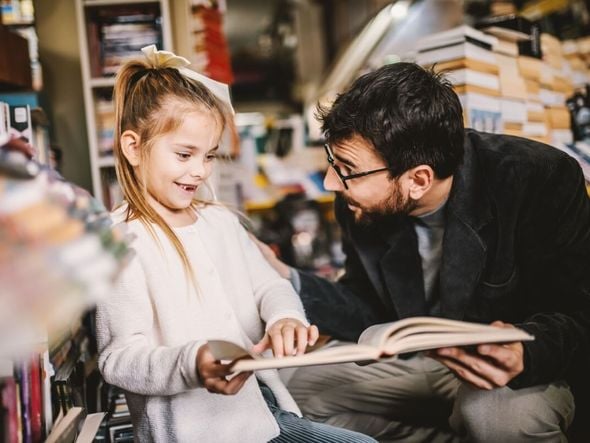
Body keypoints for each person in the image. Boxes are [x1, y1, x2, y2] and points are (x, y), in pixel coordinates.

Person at [256, 62, 590, 442]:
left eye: (346, 167)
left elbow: (580, 312)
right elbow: (367, 305)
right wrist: (283, 275)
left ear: (418, 179)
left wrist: (525, 350)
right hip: (427, 365)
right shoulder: (361, 201)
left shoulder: (538, 178)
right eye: (333, 161)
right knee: (291, 389)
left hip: (519, 375)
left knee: (493, 414)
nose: (332, 182)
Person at [95, 45, 377, 443]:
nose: (199, 170)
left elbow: (271, 286)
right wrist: (193, 363)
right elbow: (119, 359)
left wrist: (285, 318)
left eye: (208, 156)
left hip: (263, 414)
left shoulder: (221, 222)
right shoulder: (121, 240)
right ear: (132, 147)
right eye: (184, 154)